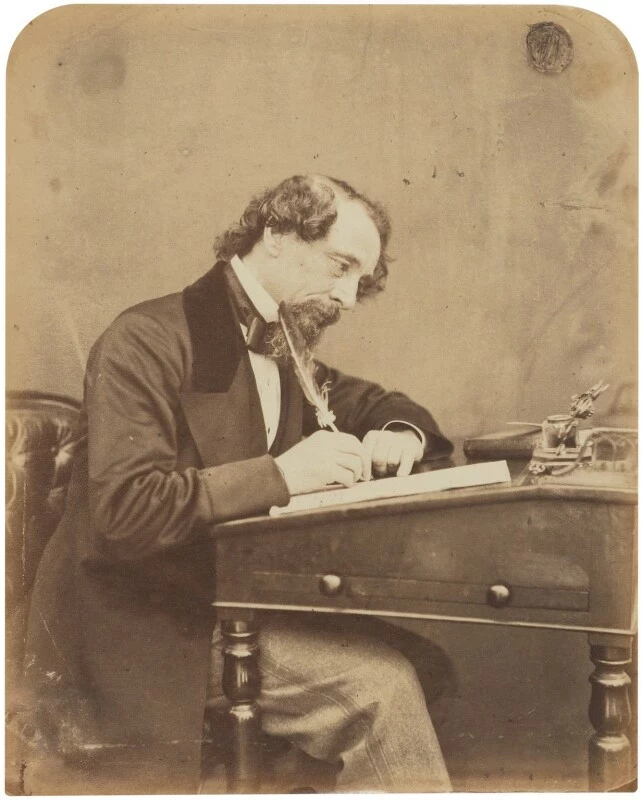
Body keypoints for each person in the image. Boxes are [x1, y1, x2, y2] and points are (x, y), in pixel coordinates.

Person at [24, 174, 454, 794]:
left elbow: (380, 403)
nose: (349, 296)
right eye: (341, 266)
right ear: (276, 234)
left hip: (224, 603)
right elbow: (125, 509)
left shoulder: (284, 343)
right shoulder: (143, 340)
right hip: (133, 625)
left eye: (362, 279)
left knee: (426, 664)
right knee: (382, 687)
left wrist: (398, 433)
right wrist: (283, 474)